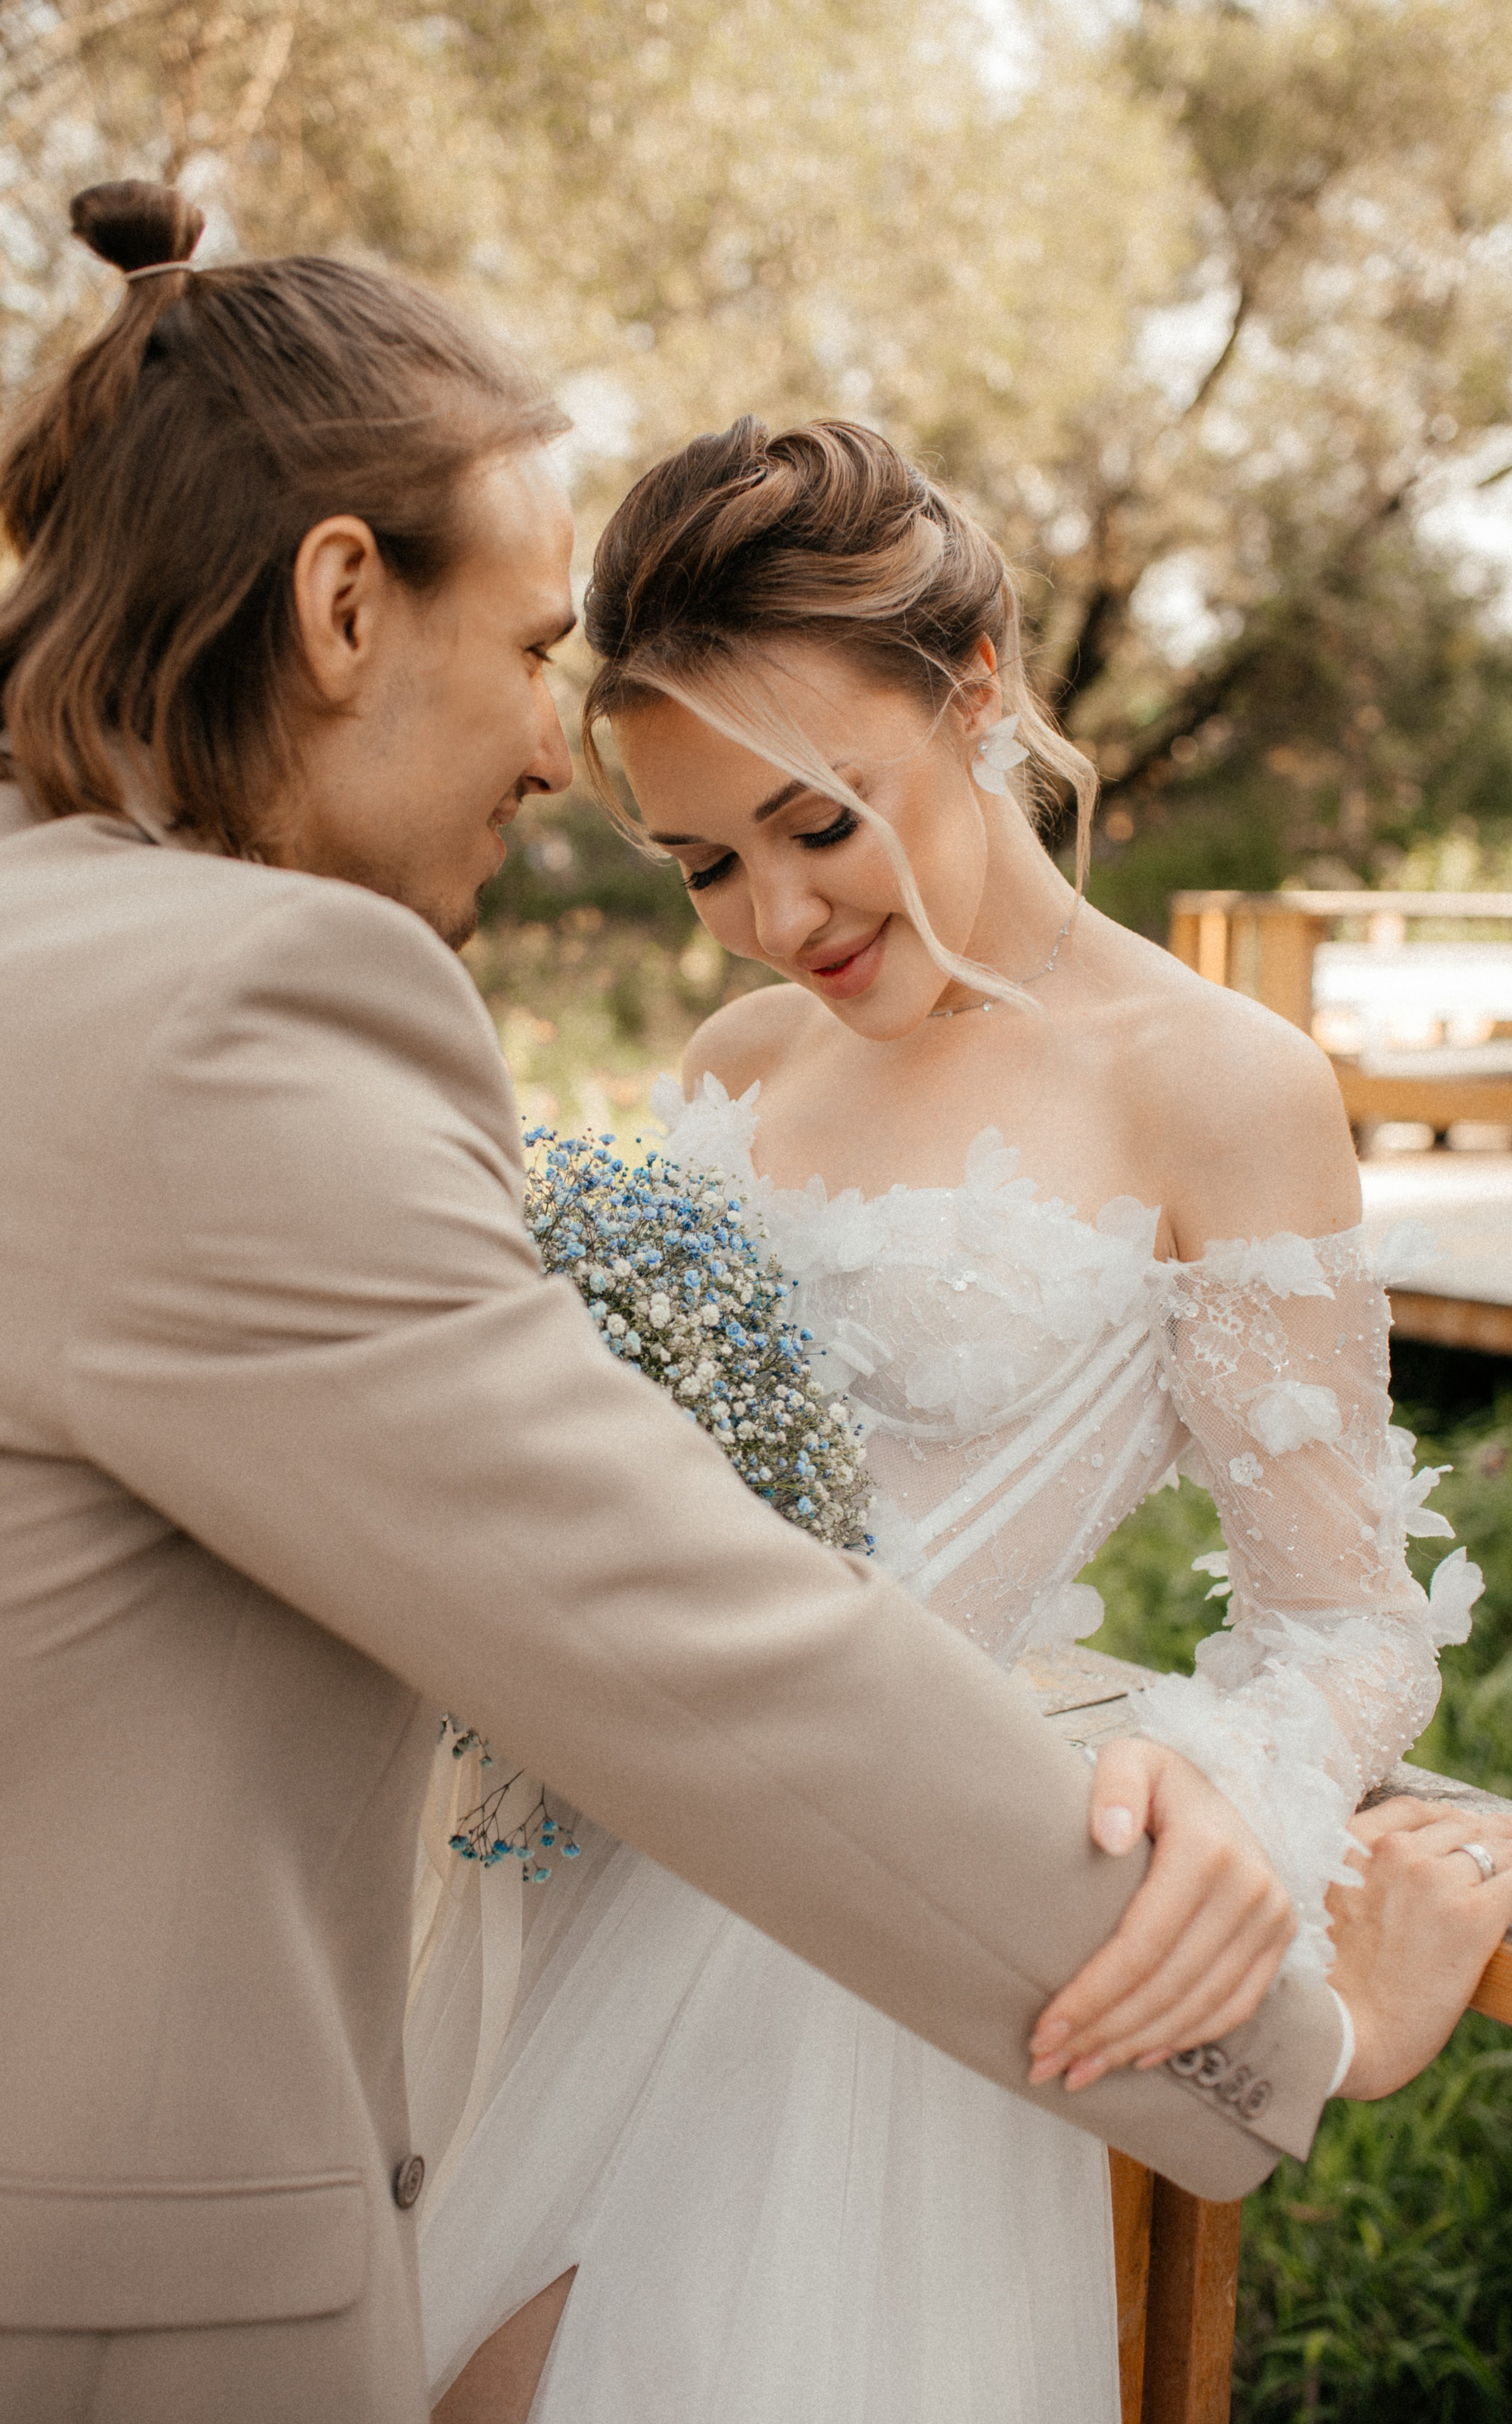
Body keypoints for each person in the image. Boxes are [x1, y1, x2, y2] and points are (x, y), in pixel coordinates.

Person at [406, 417, 1512, 2424]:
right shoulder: (742, 1060)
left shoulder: (1216, 1084)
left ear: (979, 693)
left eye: (819, 824)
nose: (773, 917)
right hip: (582, 1865)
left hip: (886, 1942)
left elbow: (1347, 1626)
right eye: (704, 864)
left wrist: (1229, 1829)